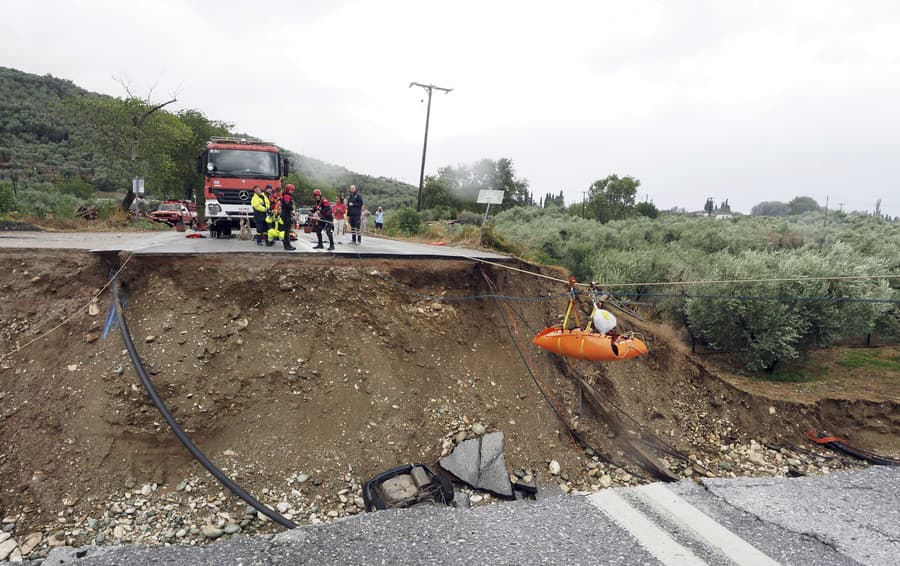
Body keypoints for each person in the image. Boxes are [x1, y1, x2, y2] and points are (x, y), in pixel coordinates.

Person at [280, 184, 297, 251]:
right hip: (286, 216)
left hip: (286, 215)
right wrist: (292, 209)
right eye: (290, 190)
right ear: (287, 190)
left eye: (292, 190)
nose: (292, 191)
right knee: (287, 231)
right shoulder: (287, 196)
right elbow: (287, 205)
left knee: (287, 231)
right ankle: (287, 245)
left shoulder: (286, 195)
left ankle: (287, 245)